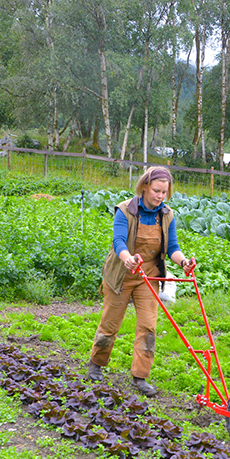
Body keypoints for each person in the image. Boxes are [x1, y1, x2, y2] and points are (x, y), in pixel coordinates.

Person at [86, 166, 197, 396]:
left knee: (148, 327)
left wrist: (183, 262)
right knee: (110, 324)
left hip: (148, 276)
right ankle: (96, 364)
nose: (160, 196)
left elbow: (172, 247)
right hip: (122, 274)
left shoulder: (166, 215)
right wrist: (127, 259)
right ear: (144, 187)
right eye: (156, 190)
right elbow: (118, 241)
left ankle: (140, 377)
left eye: (164, 192)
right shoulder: (125, 210)